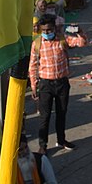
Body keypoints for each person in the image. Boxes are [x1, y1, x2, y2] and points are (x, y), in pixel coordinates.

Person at [29, 14, 74, 152]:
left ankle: (61, 140)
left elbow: (81, 42)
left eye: (49, 30)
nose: (46, 33)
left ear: (54, 28)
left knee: (62, 112)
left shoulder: (62, 39)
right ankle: (43, 146)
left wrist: (78, 32)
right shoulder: (37, 44)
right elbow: (33, 66)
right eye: (44, 31)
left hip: (62, 83)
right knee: (45, 116)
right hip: (45, 84)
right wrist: (34, 85)